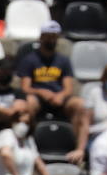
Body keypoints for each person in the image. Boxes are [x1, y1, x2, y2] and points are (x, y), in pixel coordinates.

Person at [14, 21, 88, 162]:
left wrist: (60, 95)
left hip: (59, 98)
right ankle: (26, 145)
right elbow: (25, 87)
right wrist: (42, 92)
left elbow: (68, 88)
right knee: (28, 103)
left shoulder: (63, 61)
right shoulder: (30, 60)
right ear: (41, 37)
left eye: (54, 37)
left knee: (81, 105)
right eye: (48, 36)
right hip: (38, 98)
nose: (51, 40)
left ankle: (79, 149)